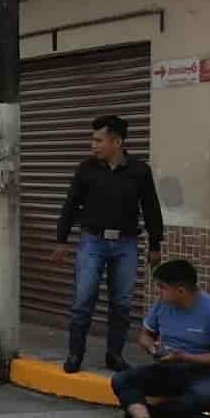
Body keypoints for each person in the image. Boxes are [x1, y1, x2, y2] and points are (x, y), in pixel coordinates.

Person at [52, 114, 165, 374]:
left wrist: (155, 244)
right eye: (93, 140)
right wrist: (62, 240)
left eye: (98, 140)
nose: (93, 145)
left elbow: (151, 208)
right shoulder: (86, 168)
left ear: (116, 142)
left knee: (122, 303)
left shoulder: (139, 171)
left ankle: (114, 355)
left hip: (126, 244)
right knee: (83, 299)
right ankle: (74, 354)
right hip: (92, 241)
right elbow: (70, 205)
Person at [110, 260, 210, 418]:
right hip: (170, 368)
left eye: (162, 287)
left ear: (180, 291)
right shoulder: (162, 304)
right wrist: (152, 347)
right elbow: (144, 335)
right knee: (121, 379)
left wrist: (185, 357)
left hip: (207, 374)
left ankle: (144, 411)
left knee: (202, 397)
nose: (158, 291)